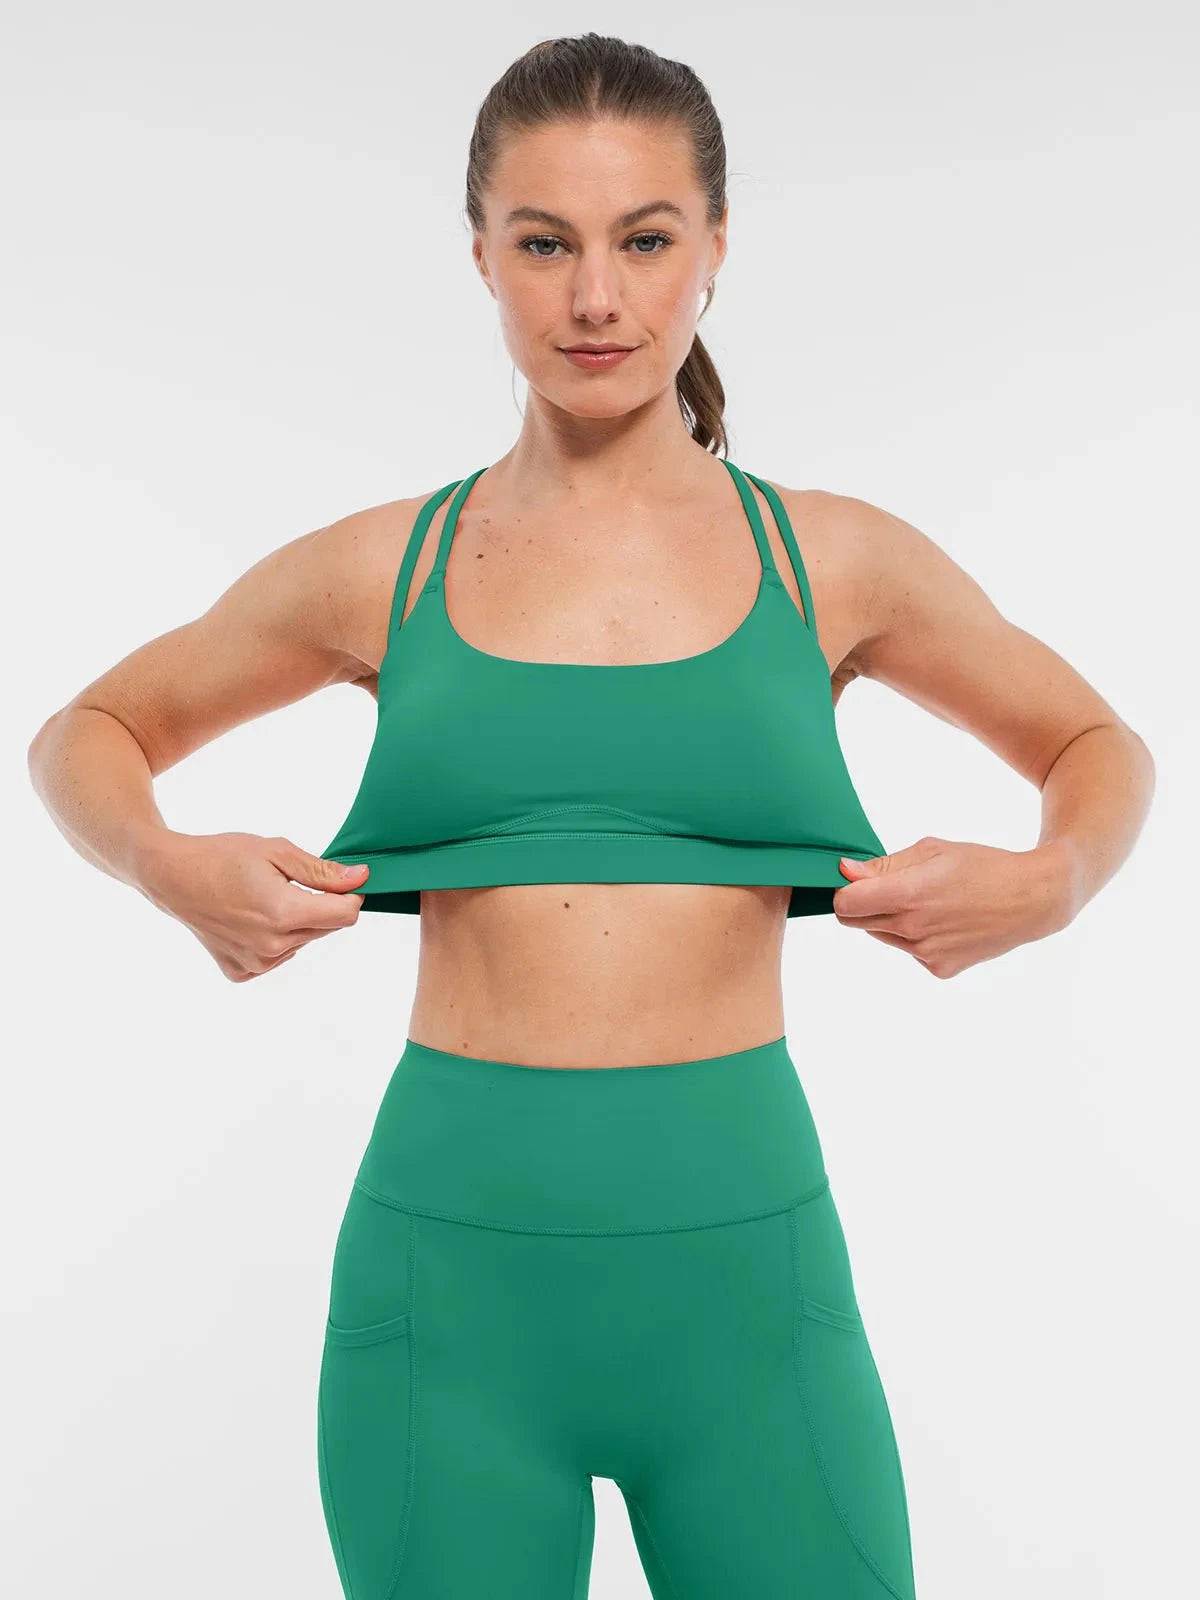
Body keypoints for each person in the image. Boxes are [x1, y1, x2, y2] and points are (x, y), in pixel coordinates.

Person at [27, 31, 1154, 1600]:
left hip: (750, 1302)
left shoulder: (833, 559)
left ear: (717, 249)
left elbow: (1097, 744)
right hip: (446, 1309)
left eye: (646, 240)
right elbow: (84, 734)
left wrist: (1054, 881)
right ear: (481, 255)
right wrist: (164, 864)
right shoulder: (386, 566)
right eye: (546, 243)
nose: (597, 299)